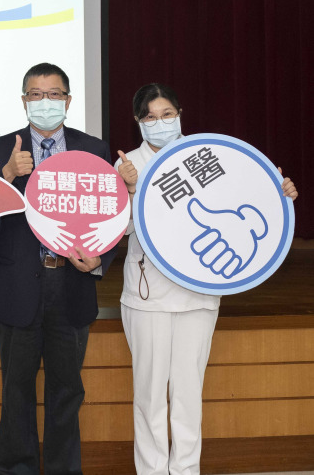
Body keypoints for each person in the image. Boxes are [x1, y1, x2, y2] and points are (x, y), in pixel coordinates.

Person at [115, 83, 298, 475]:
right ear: (137, 122)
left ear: (180, 114)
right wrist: (130, 189)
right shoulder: (128, 165)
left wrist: (278, 192)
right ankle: (151, 470)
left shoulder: (209, 156)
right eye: (149, 117)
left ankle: (186, 469)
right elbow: (120, 231)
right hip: (148, 296)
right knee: (150, 394)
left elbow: (248, 196)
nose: (160, 123)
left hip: (199, 293)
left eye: (166, 114)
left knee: (188, 393)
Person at [0, 62, 117, 474]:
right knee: (16, 391)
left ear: (68, 101)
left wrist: (100, 259)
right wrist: (7, 175)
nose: (45, 102)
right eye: (36, 95)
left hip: (71, 283)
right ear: (24, 101)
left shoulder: (93, 149)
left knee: (67, 391)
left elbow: (112, 215)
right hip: (18, 284)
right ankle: (16, 469)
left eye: (54, 94)